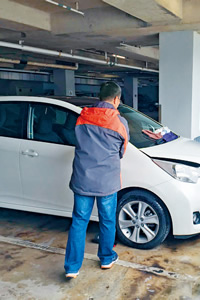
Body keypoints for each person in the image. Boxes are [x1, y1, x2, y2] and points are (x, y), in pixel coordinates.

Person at [64, 82, 129, 278]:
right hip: (106, 181)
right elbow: (122, 151)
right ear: (116, 99)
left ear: (99, 97)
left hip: (83, 178)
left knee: (79, 221)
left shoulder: (82, 117)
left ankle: (72, 267)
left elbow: (77, 140)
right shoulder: (119, 123)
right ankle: (106, 258)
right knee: (107, 220)